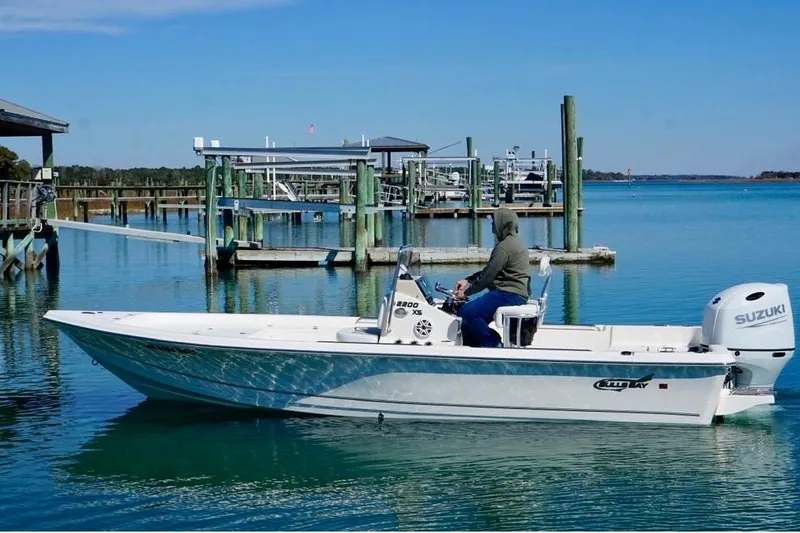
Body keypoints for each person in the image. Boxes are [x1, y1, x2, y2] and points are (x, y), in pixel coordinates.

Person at [454, 207, 531, 348]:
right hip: (516, 293)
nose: (492, 225)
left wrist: (465, 293)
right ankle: (472, 350)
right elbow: (490, 270)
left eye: (494, 222)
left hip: (509, 294)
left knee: (467, 312)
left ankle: (494, 345)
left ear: (503, 224)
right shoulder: (515, 242)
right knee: (469, 322)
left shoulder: (503, 247)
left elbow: (487, 277)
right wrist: (468, 280)